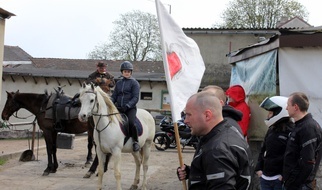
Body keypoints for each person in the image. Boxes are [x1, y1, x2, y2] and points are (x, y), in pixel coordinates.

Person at [177, 91, 253, 189]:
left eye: (189, 115)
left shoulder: (217, 150)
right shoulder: (228, 129)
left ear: (207, 115)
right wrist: (192, 173)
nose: (185, 120)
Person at [283, 92, 322, 190]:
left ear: (295, 107)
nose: (286, 108)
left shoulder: (308, 128)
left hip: (299, 186)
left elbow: (308, 162)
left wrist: (292, 182)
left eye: (288, 105)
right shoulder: (299, 125)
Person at [255, 96, 294, 190]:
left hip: (279, 179)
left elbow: (292, 156)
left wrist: (284, 175)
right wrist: (259, 168)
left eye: (270, 113)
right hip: (265, 177)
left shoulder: (291, 131)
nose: (268, 116)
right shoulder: (271, 129)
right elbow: (263, 149)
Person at [111, 61, 140, 152]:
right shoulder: (119, 83)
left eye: (128, 71)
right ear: (122, 72)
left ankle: (135, 142)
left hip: (130, 108)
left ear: (131, 72)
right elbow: (114, 96)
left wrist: (127, 106)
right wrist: (110, 103)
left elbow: (135, 98)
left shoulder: (134, 83)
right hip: (118, 108)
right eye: (125, 71)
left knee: (131, 123)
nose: (126, 73)